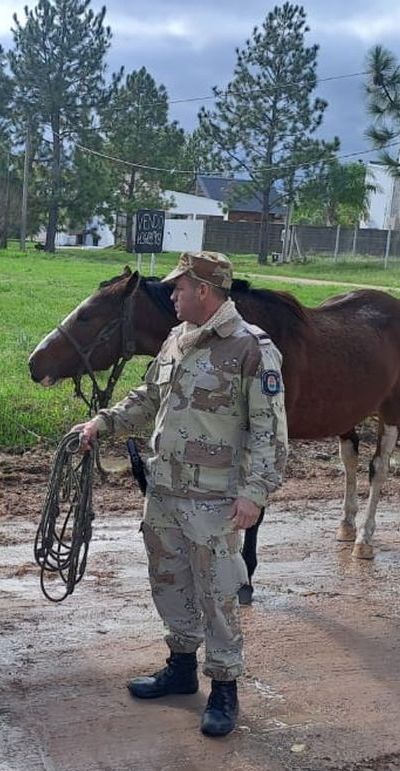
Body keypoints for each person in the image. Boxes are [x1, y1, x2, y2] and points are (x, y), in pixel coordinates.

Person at [72, 250, 289, 737]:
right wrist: (101, 423)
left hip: (214, 500)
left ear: (205, 292)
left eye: (179, 288)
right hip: (165, 490)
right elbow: (149, 398)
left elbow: (270, 433)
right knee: (169, 580)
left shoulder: (251, 349)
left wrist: (254, 494)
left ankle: (226, 687)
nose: (172, 295)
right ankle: (181, 667)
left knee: (218, 592)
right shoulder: (176, 339)